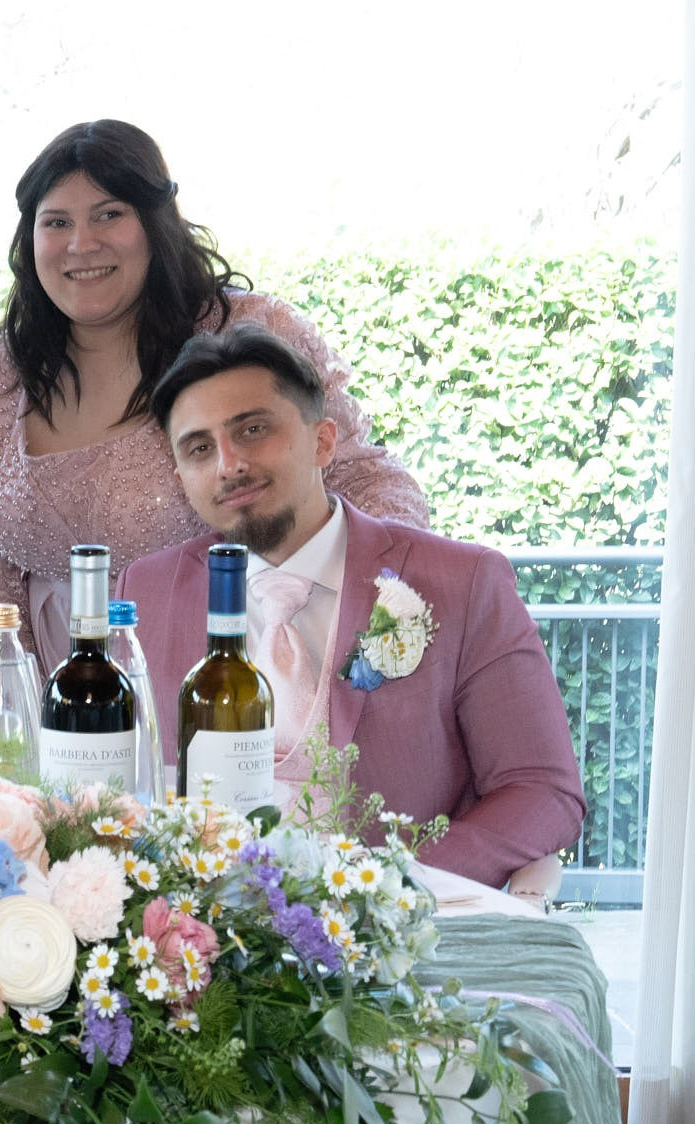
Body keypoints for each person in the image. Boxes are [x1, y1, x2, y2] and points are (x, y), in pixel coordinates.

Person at [118, 324, 584, 889]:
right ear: (181, 477)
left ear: (323, 441)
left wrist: (394, 889)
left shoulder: (462, 582)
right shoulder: (145, 591)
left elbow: (541, 789)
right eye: (198, 448)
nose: (229, 464)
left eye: (253, 429)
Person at [0, 119, 429, 671]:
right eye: (56, 222)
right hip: (55, 681)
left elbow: (359, 476)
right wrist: (24, 697)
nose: (81, 244)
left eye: (109, 214)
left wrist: (377, 613)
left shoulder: (249, 332)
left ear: (155, 224)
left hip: (238, 664)